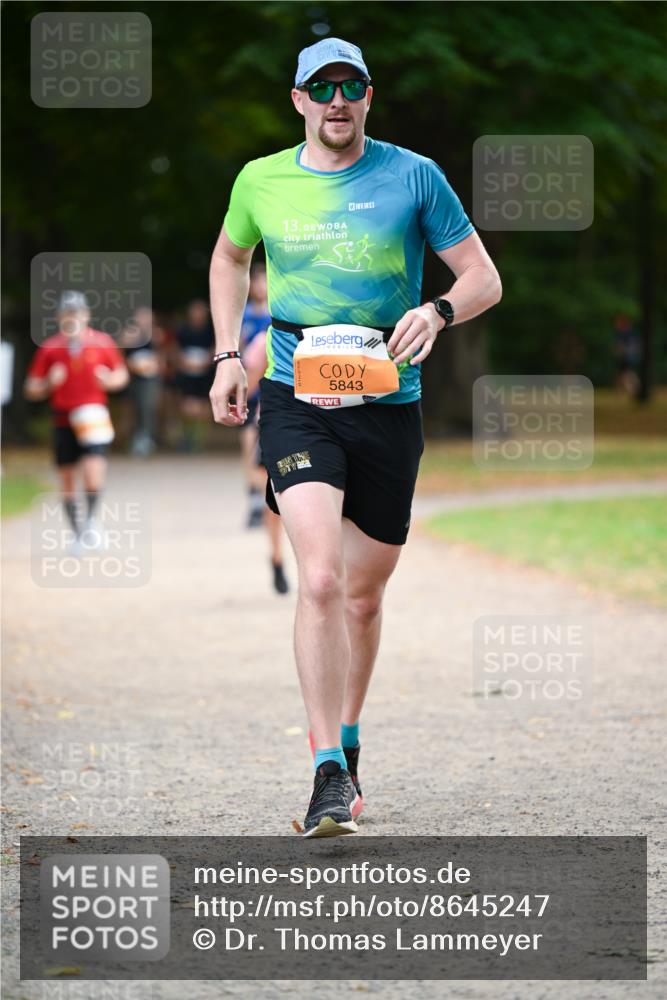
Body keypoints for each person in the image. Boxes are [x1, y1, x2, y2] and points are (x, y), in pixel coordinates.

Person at [209, 38, 502, 838]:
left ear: (367, 96)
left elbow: (482, 277)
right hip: (296, 394)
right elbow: (229, 257)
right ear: (298, 98)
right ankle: (324, 772)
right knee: (323, 580)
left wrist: (437, 311)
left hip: (387, 397)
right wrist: (230, 353)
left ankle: (350, 739)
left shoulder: (414, 175)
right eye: (320, 88)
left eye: (350, 87)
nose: (335, 100)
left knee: (365, 599)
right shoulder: (260, 179)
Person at [24, 290, 128, 550]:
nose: (72, 318)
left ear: (86, 315)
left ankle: (92, 522)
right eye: (67, 313)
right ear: (60, 317)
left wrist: (110, 380)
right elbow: (31, 388)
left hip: (93, 417)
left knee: (93, 475)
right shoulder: (50, 348)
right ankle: (77, 534)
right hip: (63, 419)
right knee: (68, 479)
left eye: (77, 313)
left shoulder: (102, 343)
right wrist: (49, 382)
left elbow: (121, 375)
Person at [242, 320, 290, 595]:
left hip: (330, 427)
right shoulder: (265, 340)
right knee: (275, 503)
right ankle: (277, 559)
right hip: (276, 424)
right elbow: (249, 385)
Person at [239, 262, 271, 528]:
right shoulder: (244, 315)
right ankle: (253, 499)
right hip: (251, 382)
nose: (260, 286)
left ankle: (265, 499)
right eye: (256, 281)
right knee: (249, 442)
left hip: (271, 385)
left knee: (265, 444)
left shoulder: (276, 314)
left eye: (264, 281)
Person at [119, 306, 161, 456]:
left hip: (149, 379)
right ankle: (130, 439)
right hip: (132, 378)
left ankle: (145, 440)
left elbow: (162, 356)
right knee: (131, 410)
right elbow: (120, 356)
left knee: (147, 408)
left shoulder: (156, 335)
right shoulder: (129, 335)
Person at [175, 299, 215, 451]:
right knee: (187, 407)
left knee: (203, 408)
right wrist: (182, 362)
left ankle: (198, 440)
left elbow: (215, 348)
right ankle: (186, 436)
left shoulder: (211, 330)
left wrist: (207, 361)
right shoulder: (183, 330)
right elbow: (175, 349)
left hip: (205, 373)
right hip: (187, 373)